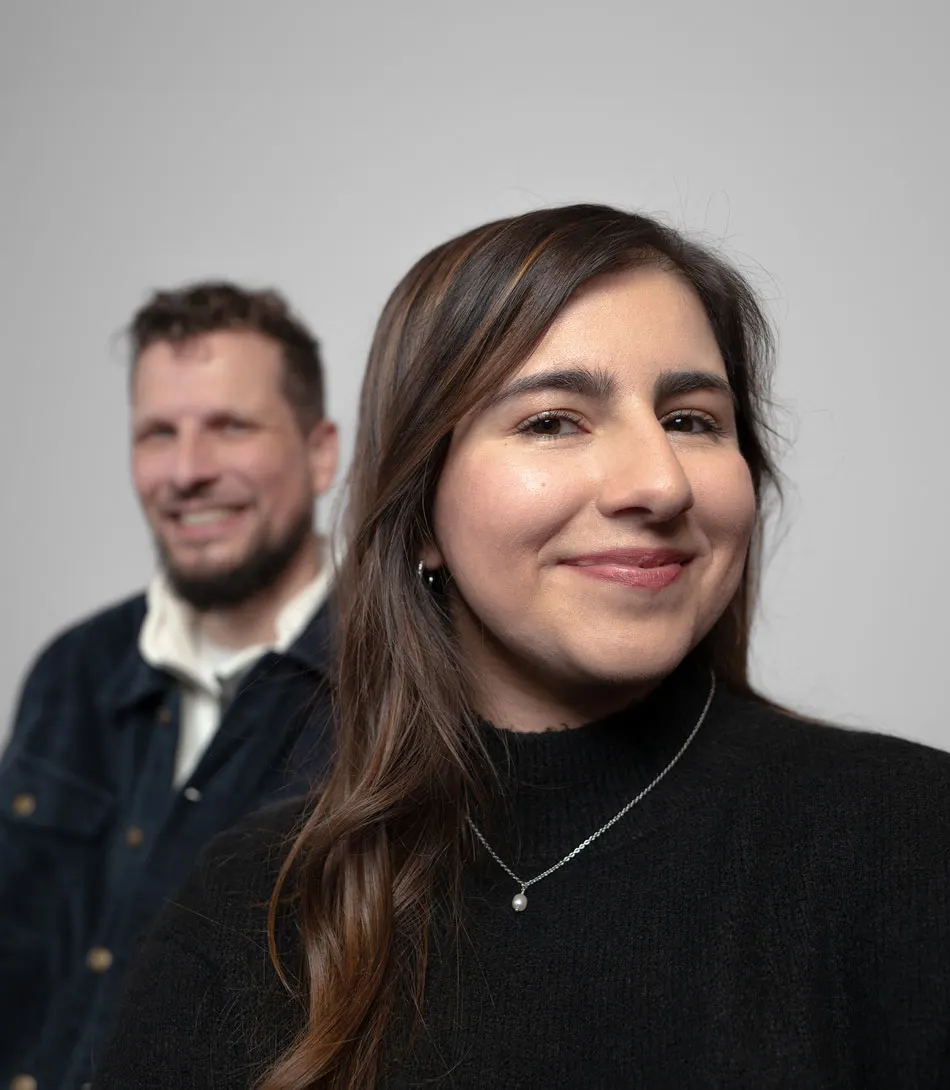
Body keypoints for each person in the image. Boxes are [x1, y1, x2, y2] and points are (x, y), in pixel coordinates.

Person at [97, 206, 950, 1090]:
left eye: (693, 420)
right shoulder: (250, 909)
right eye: (553, 421)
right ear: (422, 512)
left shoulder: (911, 841)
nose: (657, 482)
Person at [0, 282, 340, 1090]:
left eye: (231, 426)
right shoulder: (73, 671)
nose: (187, 471)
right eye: (158, 433)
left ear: (321, 452)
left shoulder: (395, 691)